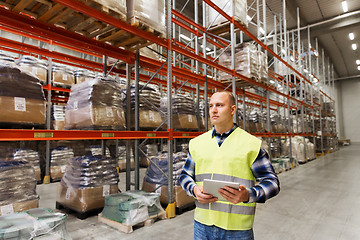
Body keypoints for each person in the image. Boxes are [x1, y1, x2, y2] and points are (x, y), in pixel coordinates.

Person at [180, 91, 280, 240]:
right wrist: (194, 189)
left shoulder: (251, 144)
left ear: (233, 110)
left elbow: (272, 183)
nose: (213, 110)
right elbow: (184, 176)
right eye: (211, 106)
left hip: (237, 229)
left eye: (219, 105)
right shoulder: (197, 143)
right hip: (202, 225)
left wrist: (248, 195)